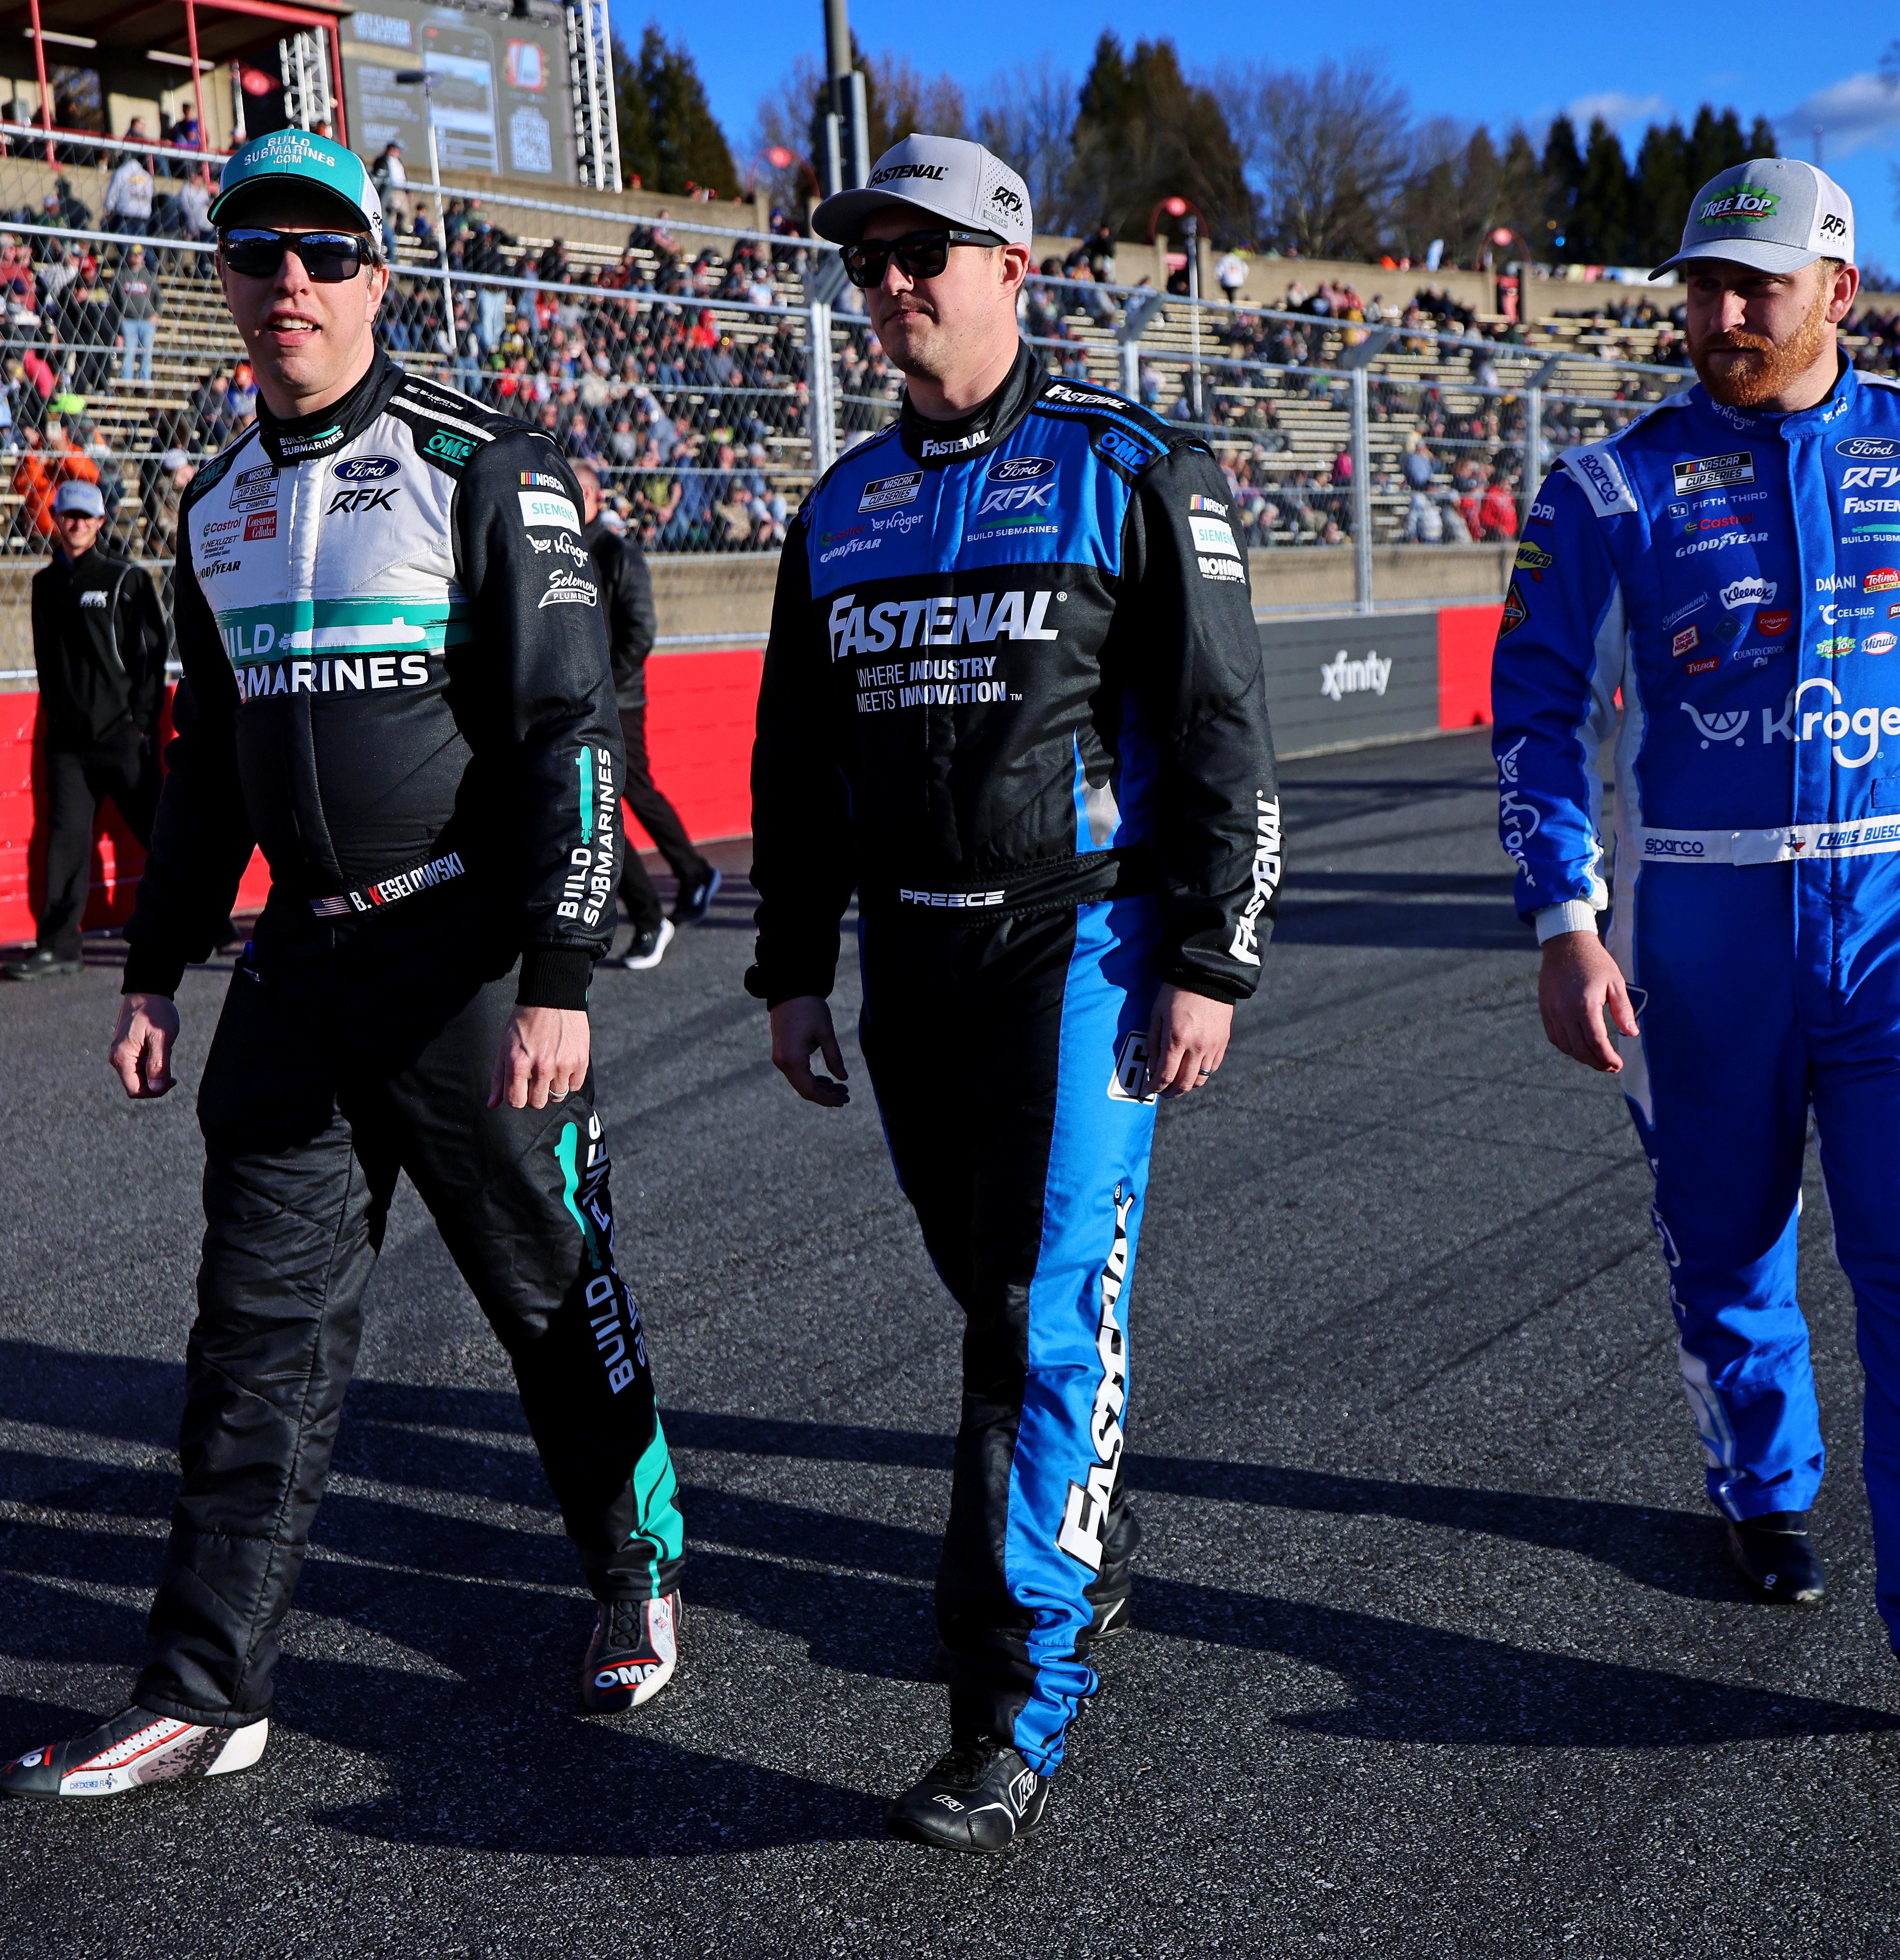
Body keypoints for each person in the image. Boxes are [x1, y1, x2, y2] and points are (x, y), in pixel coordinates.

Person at [0, 128, 686, 1800]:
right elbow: (208, 770)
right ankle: (204, 1687)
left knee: (547, 1299)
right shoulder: (215, 506)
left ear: (378, 273)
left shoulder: (479, 464)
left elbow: (566, 735)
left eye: (320, 251)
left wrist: (558, 979)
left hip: (470, 965)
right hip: (301, 982)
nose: (285, 281)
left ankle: (632, 1574)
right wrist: (151, 969)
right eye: (254, 251)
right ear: (224, 278)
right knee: (252, 1342)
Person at [1493, 157, 1900, 1741]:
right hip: (1695, 932)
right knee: (1726, 1240)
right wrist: (1563, 925)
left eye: (1753, 284)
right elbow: (1536, 714)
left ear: (1838, 285)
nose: (1720, 313)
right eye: (1700, 284)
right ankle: (1762, 1485)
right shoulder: (1605, 489)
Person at [749, 134, 1279, 1851]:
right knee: (987, 1296)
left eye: (928, 255)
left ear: (1012, 266)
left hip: (1083, 953)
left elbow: (1219, 738)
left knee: (1035, 1324)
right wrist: (787, 971)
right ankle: (1082, 1540)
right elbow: (793, 768)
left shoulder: (1132, 467)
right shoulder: (837, 508)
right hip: (909, 961)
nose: (894, 287)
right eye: (869, 262)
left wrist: (1208, 958)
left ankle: (1011, 1706)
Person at [7, 478, 167, 981]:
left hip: (122, 736)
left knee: (163, 834)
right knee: (66, 843)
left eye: (85, 517)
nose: (75, 524)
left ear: (101, 522)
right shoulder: (44, 585)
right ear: (56, 519)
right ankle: (58, 945)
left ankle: (207, 923)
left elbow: (152, 655)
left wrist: (141, 724)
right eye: (67, 516)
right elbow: (45, 663)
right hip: (69, 745)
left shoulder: (127, 579)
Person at [574, 457, 716, 968]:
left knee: (617, 802)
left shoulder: (617, 554)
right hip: (576, 704)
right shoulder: (555, 551)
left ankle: (659, 909)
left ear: (594, 499)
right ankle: (684, 883)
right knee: (606, 806)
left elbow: (639, 633)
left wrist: (603, 687)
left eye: (576, 493)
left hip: (617, 702)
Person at [113, 242, 161, 384]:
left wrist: (156, 314)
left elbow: (159, 297)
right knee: (129, 353)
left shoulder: (149, 275)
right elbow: (114, 299)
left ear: (143, 257)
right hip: (129, 320)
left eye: (139, 255)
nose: (136, 257)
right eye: (133, 254)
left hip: (147, 320)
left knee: (147, 354)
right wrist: (120, 316)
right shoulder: (122, 275)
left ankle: (144, 383)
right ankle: (127, 383)